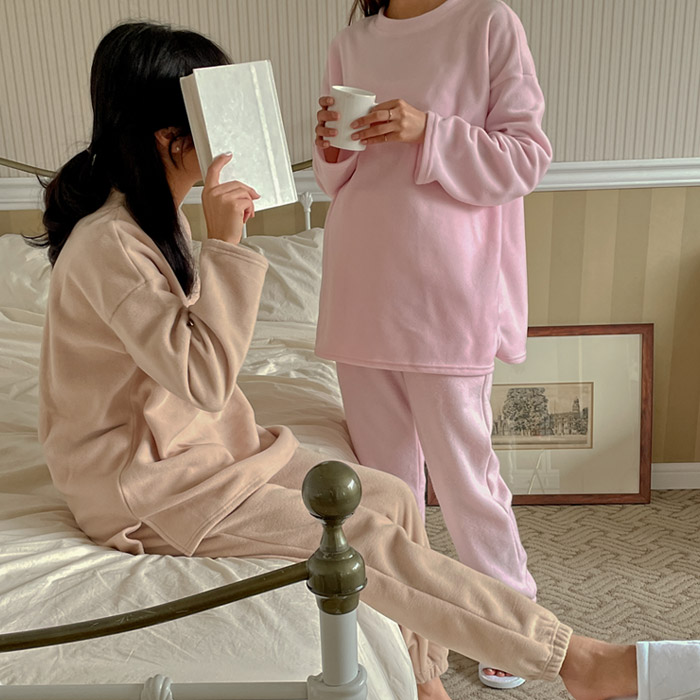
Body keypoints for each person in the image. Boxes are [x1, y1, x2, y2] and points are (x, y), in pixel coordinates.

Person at [34, 19, 690, 700]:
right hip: (148, 488)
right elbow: (204, 378)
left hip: (206, 454)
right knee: (358, 541)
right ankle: (579, 661)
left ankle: (424, 679)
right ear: (170, 137)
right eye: (214, 113)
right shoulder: (110, 245)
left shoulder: (155, 220)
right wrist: (226, 246)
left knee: (393, 495)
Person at [312, 0, 546, 686]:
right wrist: (332, 149)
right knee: (385, 487)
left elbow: (526, 159)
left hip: (448, 292)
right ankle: (405, 635)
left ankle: (512, 629)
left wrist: (428, 130)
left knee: (466, 478)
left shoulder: (488, 23)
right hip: (362, 286)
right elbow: (335, 178)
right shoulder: (353, 40)